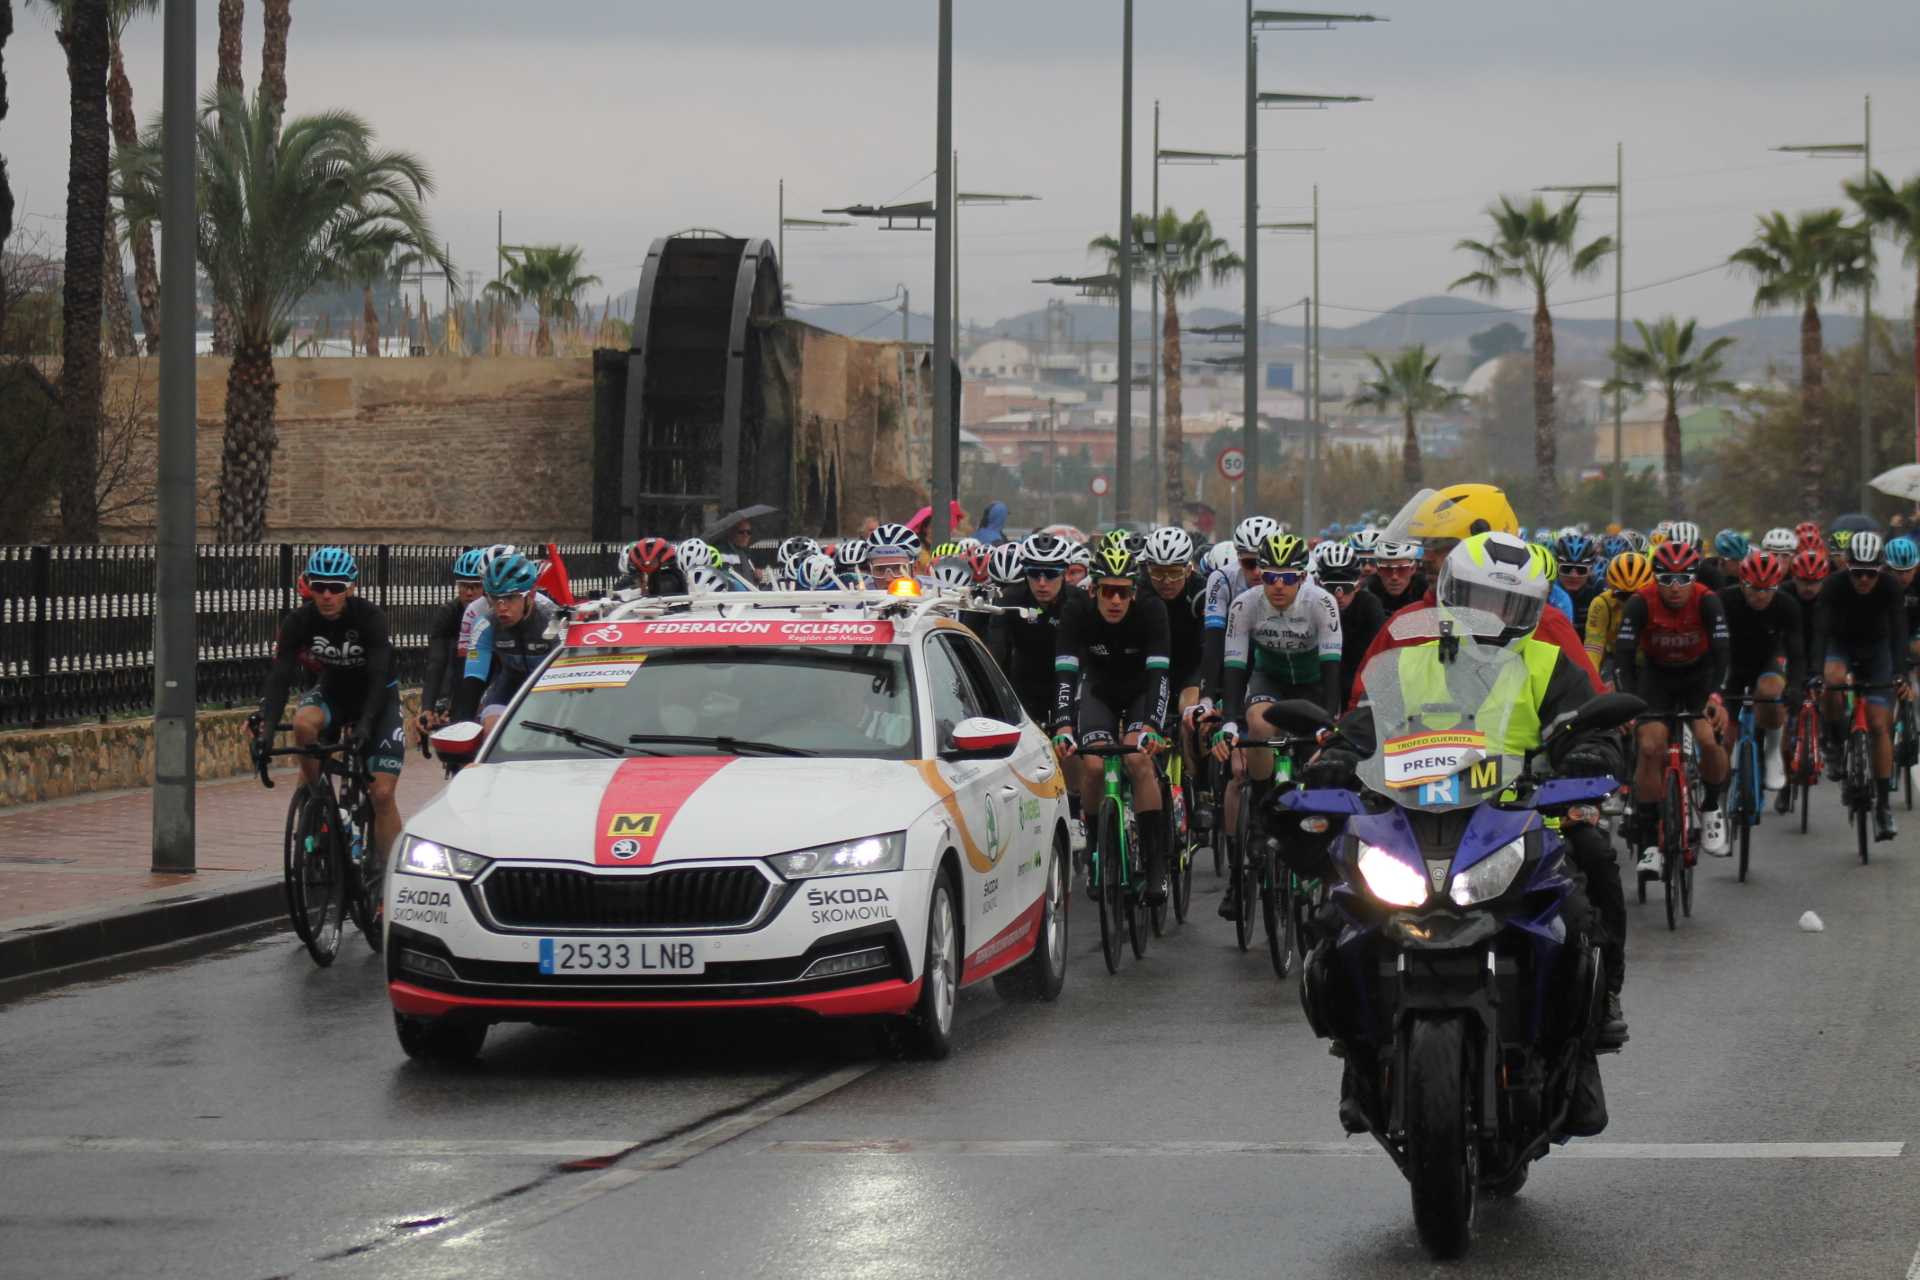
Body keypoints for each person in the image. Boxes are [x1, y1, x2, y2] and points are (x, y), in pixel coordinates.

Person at [1301, 532, 1630, 1135]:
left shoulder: (1547, 661)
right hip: (1411, 811)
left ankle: (1588, 1038)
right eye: (1479, 599)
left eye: (1509, 605)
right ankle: (1358, 1058)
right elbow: (1362, 724)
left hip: (1516, 811)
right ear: (1451, 595)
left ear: (1532, 611)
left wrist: (1590, 753)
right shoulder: (1407, 661)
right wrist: (1336, 756)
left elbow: (1592, 726)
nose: (1492, 617)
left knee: (1589, 876)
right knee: (1337, 909)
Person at [249, 547, 405, 897]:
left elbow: (380, 676)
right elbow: (280, 677)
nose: (327, 595)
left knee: (381, 793)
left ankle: (393, 881)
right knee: (304, 724)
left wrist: (365, 724)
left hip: (377, 699)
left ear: (351, 588)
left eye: (335, 587)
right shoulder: (299, 621)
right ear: (310, 587)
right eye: (319, 586)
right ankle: (317, 797)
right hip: (333, 692)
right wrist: (267, 731)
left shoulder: (370, 618)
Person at [1212, 532, 1341, 919]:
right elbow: (1234, 667)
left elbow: (1334, 670)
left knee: (1320, 757)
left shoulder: (1322, 603)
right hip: (1269, 679)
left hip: (1313, 683)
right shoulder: (1244, 605)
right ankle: (1260, 822)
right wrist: (1232, 724)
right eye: (1270, 577)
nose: (1279, 586)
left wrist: (1329, 724)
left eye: (1288, 578)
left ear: (1303, 577)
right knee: (1259, 725)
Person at [1052, 543, 1172, 903]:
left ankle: (1154, 865)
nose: (1116, 600)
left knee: (1137, 760)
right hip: (1100, 691)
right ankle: (1095, 852)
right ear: (1094, 590)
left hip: (1140, 692)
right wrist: (1062, 725)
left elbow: (1160, 676)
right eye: (1108, 591)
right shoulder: (1077, 611)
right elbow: (1065, 673)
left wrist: (1152, 724)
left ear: (1134, 592)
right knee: (1092, 765)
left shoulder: (1152, 610)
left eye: (1123, 592)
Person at [1614, 539, 1733, 876]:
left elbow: (1724, 652)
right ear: (1655, 579)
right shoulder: (1640, 603)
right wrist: (1629, 701)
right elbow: (1623, 657)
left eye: (1684, 579)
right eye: (1667, 579)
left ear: (1695, 577)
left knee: (1709, 740)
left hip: (1700, 675)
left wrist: (1717, 696)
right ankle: (1651, 842)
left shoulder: (1708, 601)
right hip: (1657, 677)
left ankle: (1711, 807)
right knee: (1650, 747)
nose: (1676, 588)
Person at [1809, 531, 1909, 841]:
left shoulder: (1891, 587)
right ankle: (1836, 743)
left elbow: (1899, 632)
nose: (1864, 580)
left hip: (1877, 649)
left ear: (1881, 569)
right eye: (1857, 573)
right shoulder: (1834, 586)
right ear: (1847, 567)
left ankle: (1882, 807)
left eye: (1871, 573)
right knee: (1832, 681)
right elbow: (1820, 633)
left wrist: (1900, 673)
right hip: (1842, 644)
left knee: (1880, 725)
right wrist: (1815, 673)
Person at [1718, 550, 1804, 816]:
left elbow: (1796, 652)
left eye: (1768, 589)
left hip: (1768, 661)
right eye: (1754, 589)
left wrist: (1796, 687)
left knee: (1771, 693)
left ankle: (1772, 752)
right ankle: (1717, 794)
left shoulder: (1787, 605)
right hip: (1732, 664)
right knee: (1724, 739)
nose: (1761, 596)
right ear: (1742, 583)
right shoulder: (1723, 601)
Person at [1141, 526, 1211, 799]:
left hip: (1189, 668)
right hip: (1149, 668)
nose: (1166, 581)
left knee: (1190, 714)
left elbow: (1209, 646)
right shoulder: (1140, 591)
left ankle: (1201, 786)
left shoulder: (1201, 591)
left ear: (1189, 568)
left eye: (1174, 573)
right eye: (1158, 572)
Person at [987, 532, 1082, 727]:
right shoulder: (1010, 598)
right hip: (1023, 682)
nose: (1041, 583)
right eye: (1033, 573)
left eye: (1050, 574)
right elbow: (995, 651)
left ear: (1064, 572)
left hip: (1068, 681)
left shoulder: (1078, 601)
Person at [464, 554, 561, 736]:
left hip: (552, 690)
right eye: (495, 598)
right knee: (491, 731)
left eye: (510, 598)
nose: (501, 607)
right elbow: (473, 681)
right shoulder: (485, 624)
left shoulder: (553, 622)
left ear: (530, 595)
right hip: (510, 685)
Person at [419, 548, 487, 737]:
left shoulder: (496, 612)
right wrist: (428, 707)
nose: (469, 592)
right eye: (463, 585)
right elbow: (436, 662)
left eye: (476, 586)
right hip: (461, 669)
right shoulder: (448, 613)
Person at [1314, 541, 1383, 709]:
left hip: (1358, 678)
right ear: (1318, 585)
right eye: (1331, 588)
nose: (1338, 595)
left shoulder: (1370, 605)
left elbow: (1378, 659)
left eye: (1346, 587)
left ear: (1358, 585)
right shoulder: (1311, 604)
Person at [1586, 551, 1652, 689]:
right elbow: (1594, 645)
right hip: (1615, 657)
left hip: (1650, 659)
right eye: (1623, 595)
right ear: (1611, 588)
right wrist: (1590, 679)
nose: (1630, 602)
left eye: (1636, 595)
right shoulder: (1601, 603)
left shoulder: (1657, 601)